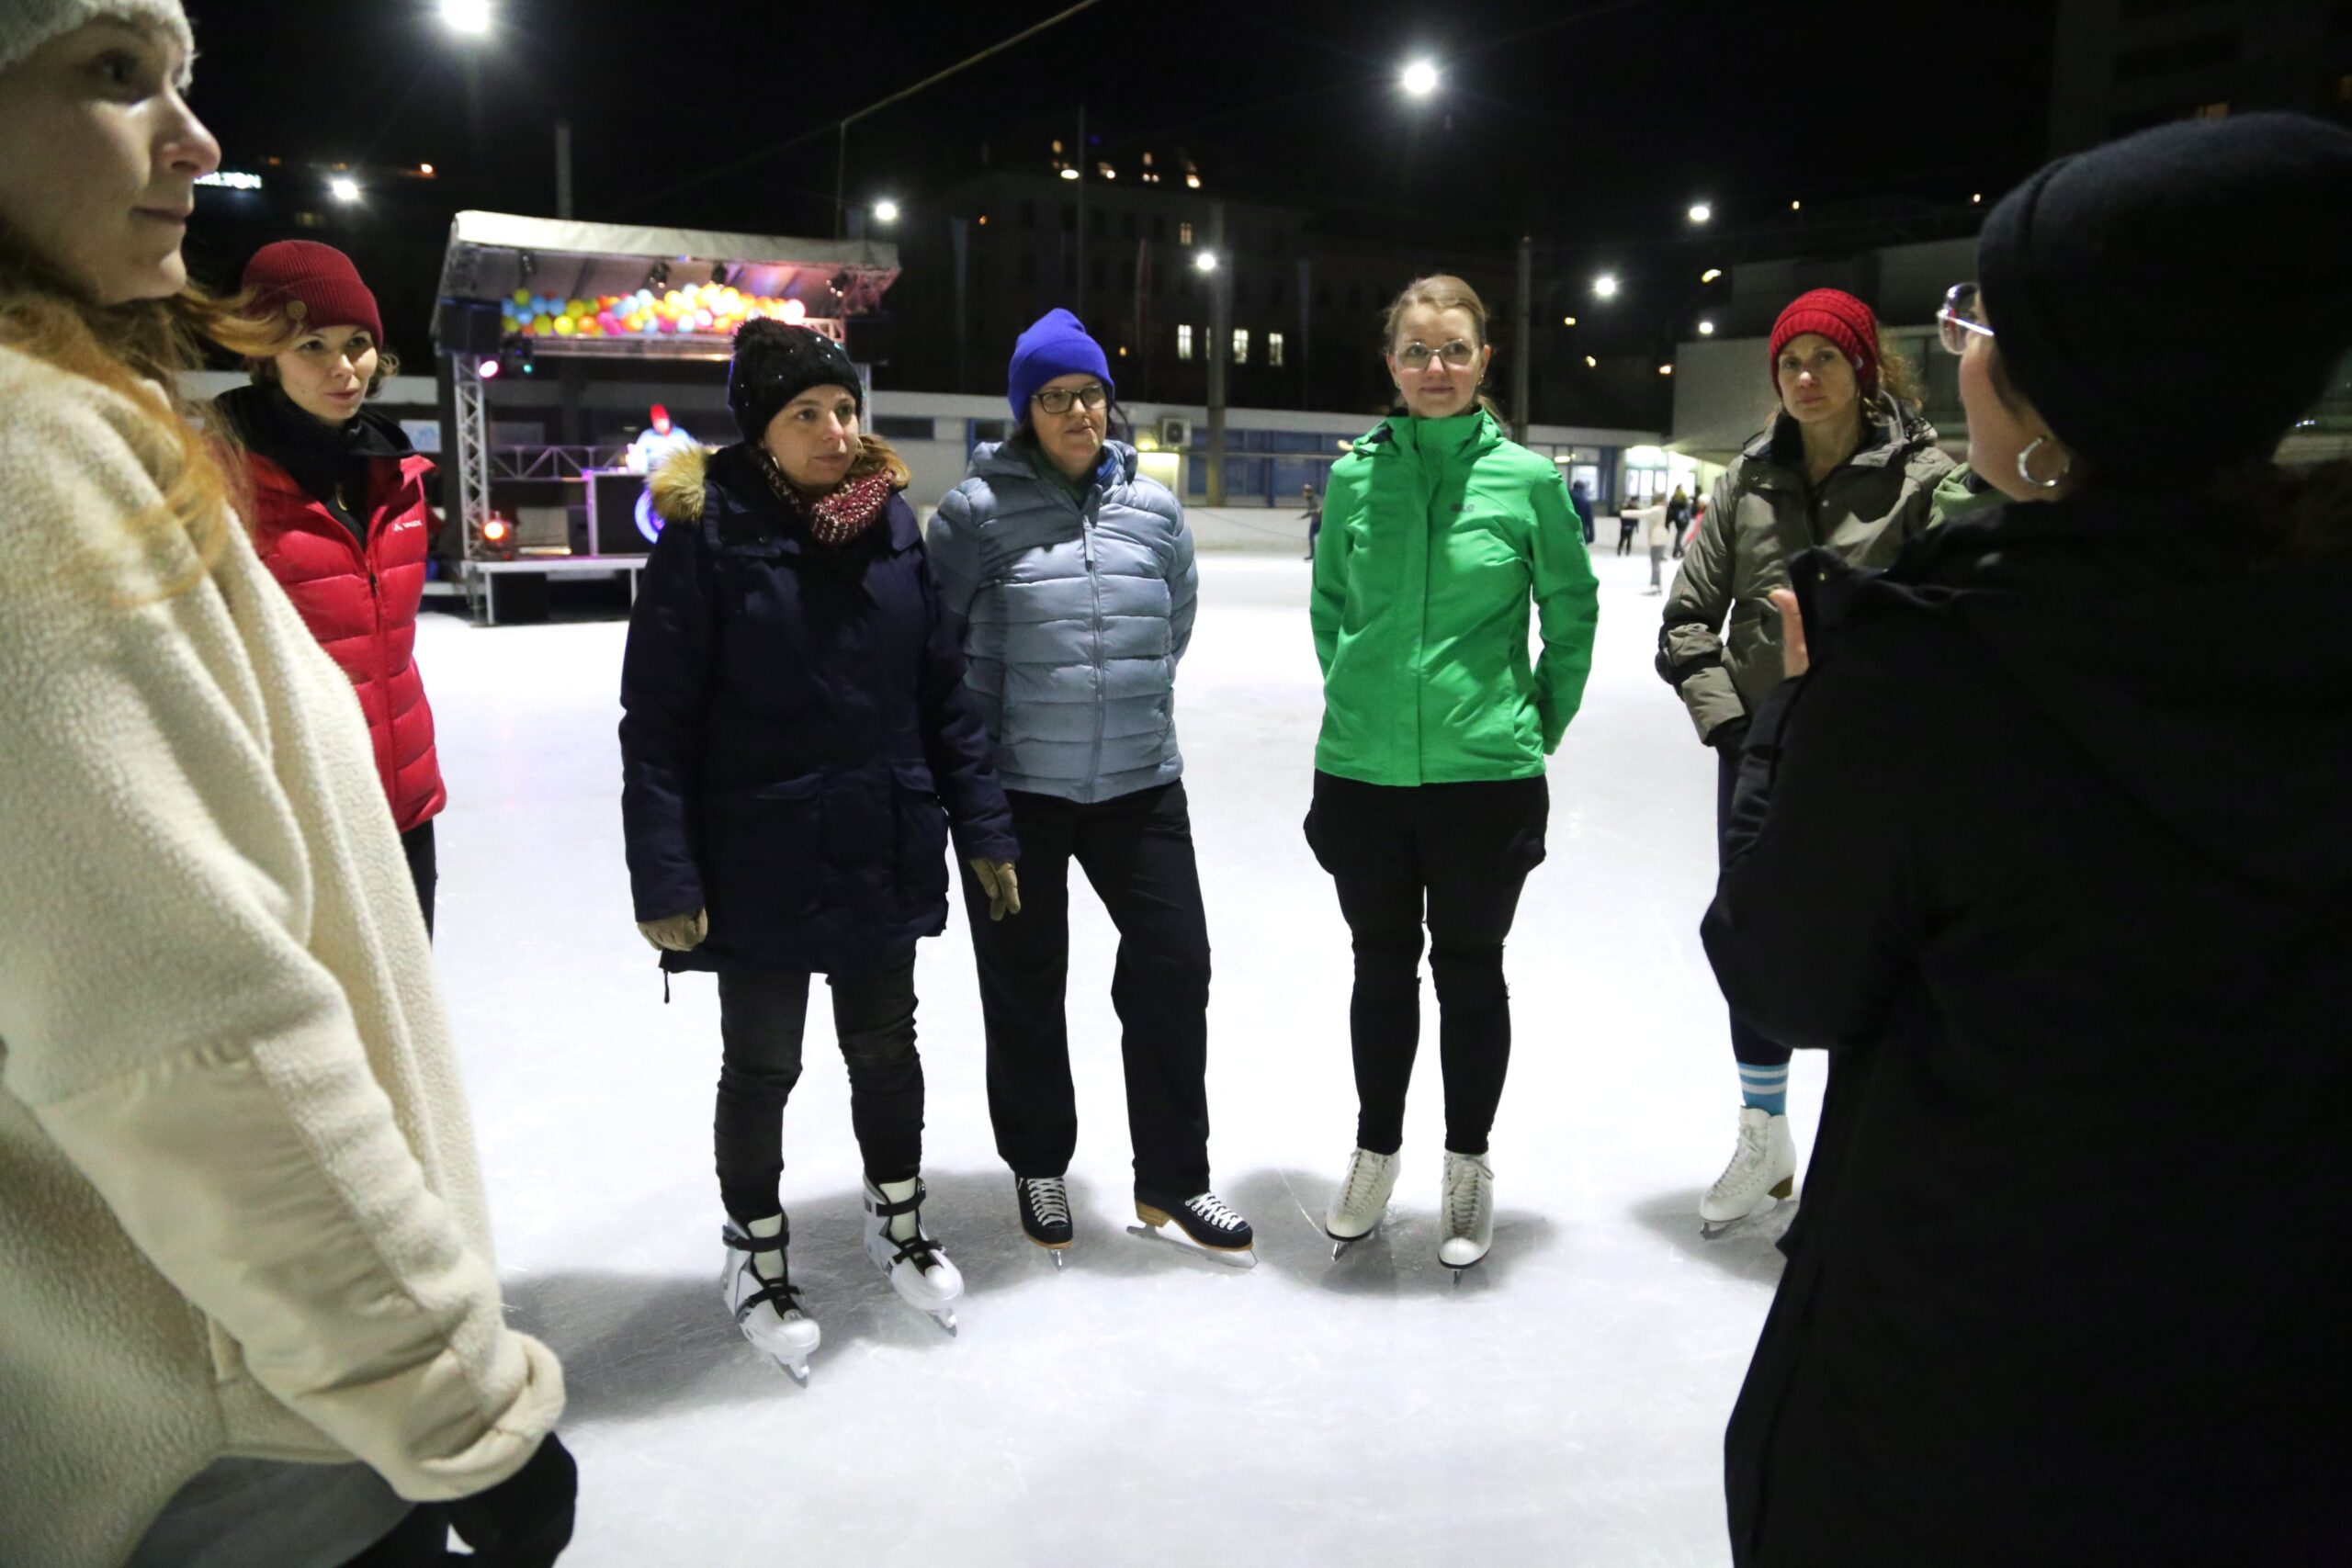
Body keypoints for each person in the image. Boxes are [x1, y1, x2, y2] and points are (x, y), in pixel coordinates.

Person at [1703, 111, 2352, 1566]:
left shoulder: (1944, 676)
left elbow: (1783, 970)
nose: (1960, 351)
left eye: (1985, 320)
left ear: (2067, 396)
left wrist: (1795, 714)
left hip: (1960, 1403)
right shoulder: (2310, 634)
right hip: (2272, 1422)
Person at [0, 8, 573, 1567]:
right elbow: (190, 1039)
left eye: (181, 80)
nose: (193, 137)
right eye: (113, 74)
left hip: (385, 825)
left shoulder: (347, 469)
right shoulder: (45, 457)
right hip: (240, 1419)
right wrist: (449, 1394)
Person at [620, 320, 1022, 1371]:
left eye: (844, 410)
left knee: (886, 1050)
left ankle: (899, 1221)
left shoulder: (891, 528)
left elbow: (943, 698)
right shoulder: (705, 538)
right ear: (759, 429)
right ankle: (753, 1252)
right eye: (806, 413)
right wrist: (664, 873)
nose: (835, 431)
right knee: (764, 1066)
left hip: (879, 837)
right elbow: (656, 725)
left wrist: (982, 825)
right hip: (758, 854)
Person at [928, 310, 1253, 1264]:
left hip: (1140, 784)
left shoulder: (1152, 510)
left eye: (1091, 394)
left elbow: (1171, 623)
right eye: (1055, 397)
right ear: (1025, 411)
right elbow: (936, 652)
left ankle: (1174, 1178)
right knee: (1025, 981)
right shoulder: (974, 514)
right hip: (1017, 792)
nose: (1078, 412)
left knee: (1174, 967)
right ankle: (1038, 1162)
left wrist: (1119, 701)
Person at [1307, 275, 1599, 1272]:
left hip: (1484, 780)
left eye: (1455, 350)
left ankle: (1467, 1162)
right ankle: (1375, 1151)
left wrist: (1536, 721)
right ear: (1391, 364)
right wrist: (1360, 701)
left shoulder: (1528, 481)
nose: (1436, 368)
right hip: (1364, 776)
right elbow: (1331, 610)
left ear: (1483, 361)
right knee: (1379, 968)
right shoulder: (1355, 478)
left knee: (1471, 972)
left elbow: (1572, 610)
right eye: (1417, 351)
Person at [1657, 286, 1958, 1234]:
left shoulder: (1923, 482)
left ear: (1864, 368)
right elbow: (1685, 624)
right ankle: (1764, 1136)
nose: (1805, 376)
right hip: (1761, 756)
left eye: (1825, 357)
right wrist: (1739, 732)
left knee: (1873, 947)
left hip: (1875, 762)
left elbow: (1952, 630)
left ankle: (1854, 1156)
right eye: (1790, 360)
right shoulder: (1745, 481)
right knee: (1758, 938)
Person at [210, 240, 446, 933]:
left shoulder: (396, 476)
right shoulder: (220, 480)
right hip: (297, 816)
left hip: (404, 803)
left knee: (410, 993)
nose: (343, 368)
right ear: (265, 354)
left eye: (357, 344)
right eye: (312, 345)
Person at [625, 401, 695, 473]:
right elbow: (637, 455)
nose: (659, 424)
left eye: (661, 421)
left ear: (667, 420)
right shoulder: (646, 436)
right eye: (655, 422)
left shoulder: (681, 434)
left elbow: (691, 453)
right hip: (654, 474)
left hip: (678, 473)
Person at [1665, 482, 1692, 560]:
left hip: (1678, 522)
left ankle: (1678, 552)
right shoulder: (1684, 499)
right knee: (1678, 538)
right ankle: (1679, 552)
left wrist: (1667, 524)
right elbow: (1688, 510)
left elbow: (1670, 513)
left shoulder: (1673, 500)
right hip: (1684, 521)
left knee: (1678, 538)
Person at [1568, 477, 1596, 545]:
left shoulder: (1567, 496)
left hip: (1568, 530)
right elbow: (1590, 520)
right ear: (1583, 488)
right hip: (1581, 532)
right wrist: (1591, 536)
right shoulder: (1585, 500)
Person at [1301, 479, 1323, 560]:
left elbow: (1320, 508)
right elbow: (1310, 512)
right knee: (1311, 538)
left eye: (1306, 491)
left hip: (1319, 522)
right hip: (1314, 522)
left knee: (1320, 539)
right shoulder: (1310, 500)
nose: (1304, 494)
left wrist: (1313, 511)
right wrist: (1303, 517)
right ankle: (1312, 554)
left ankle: (1321, 555)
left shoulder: (1315, 499)